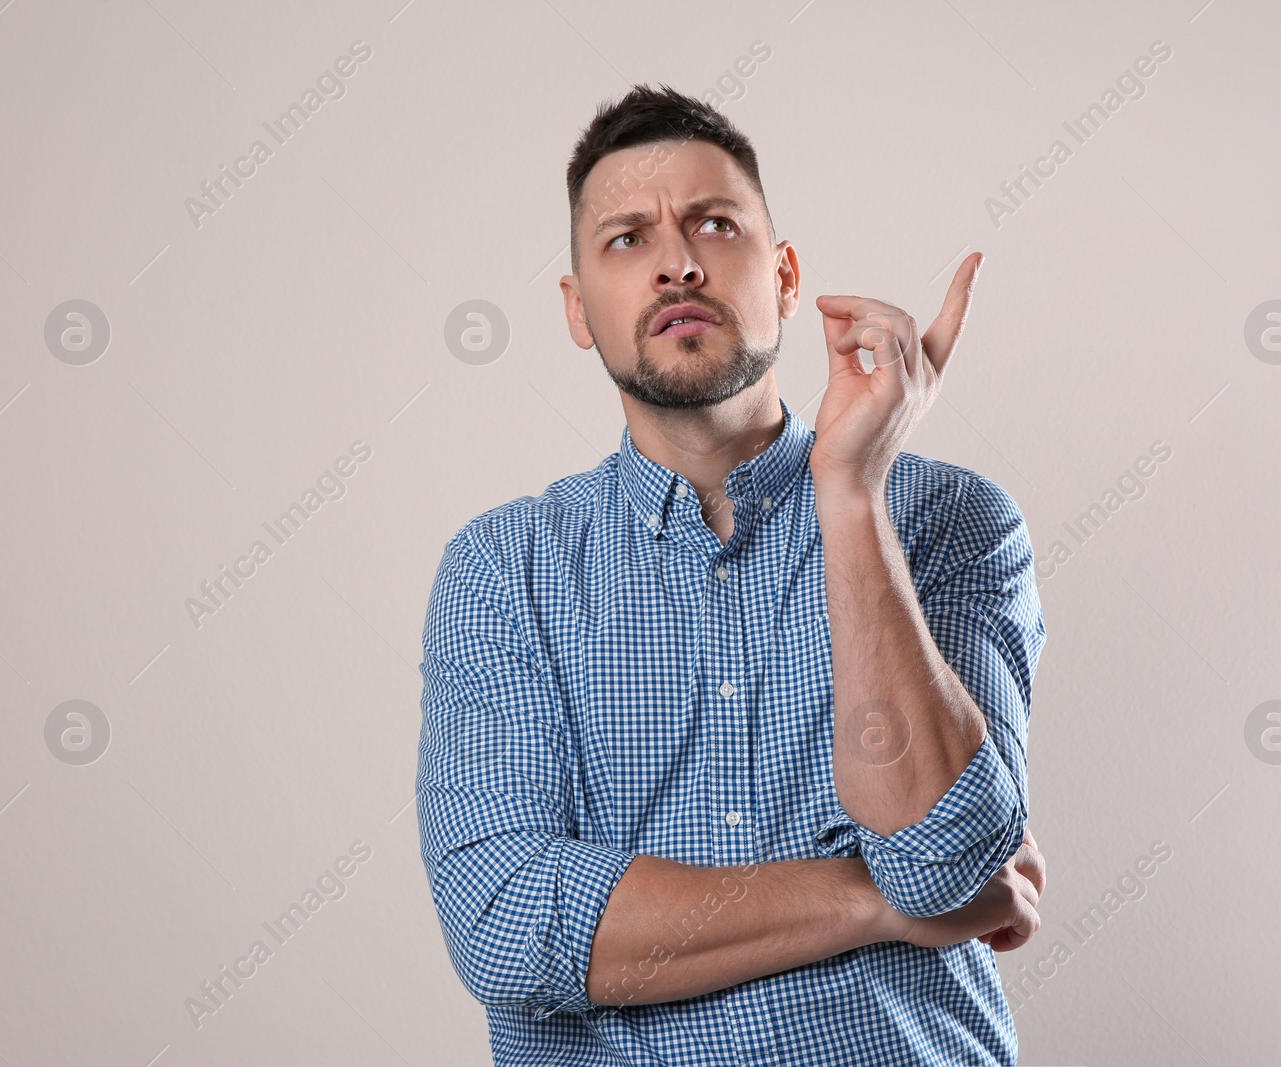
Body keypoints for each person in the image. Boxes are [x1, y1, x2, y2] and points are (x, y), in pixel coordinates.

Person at [416, 83, 1048, 1066]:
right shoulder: (502, 569)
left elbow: (938, 859)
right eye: (627, 237)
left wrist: (849, 495)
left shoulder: (950, 521)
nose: (676, 260)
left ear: (786, 277)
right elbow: (507, 920)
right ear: (578, 311)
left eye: (714, 224)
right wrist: (867, 897)